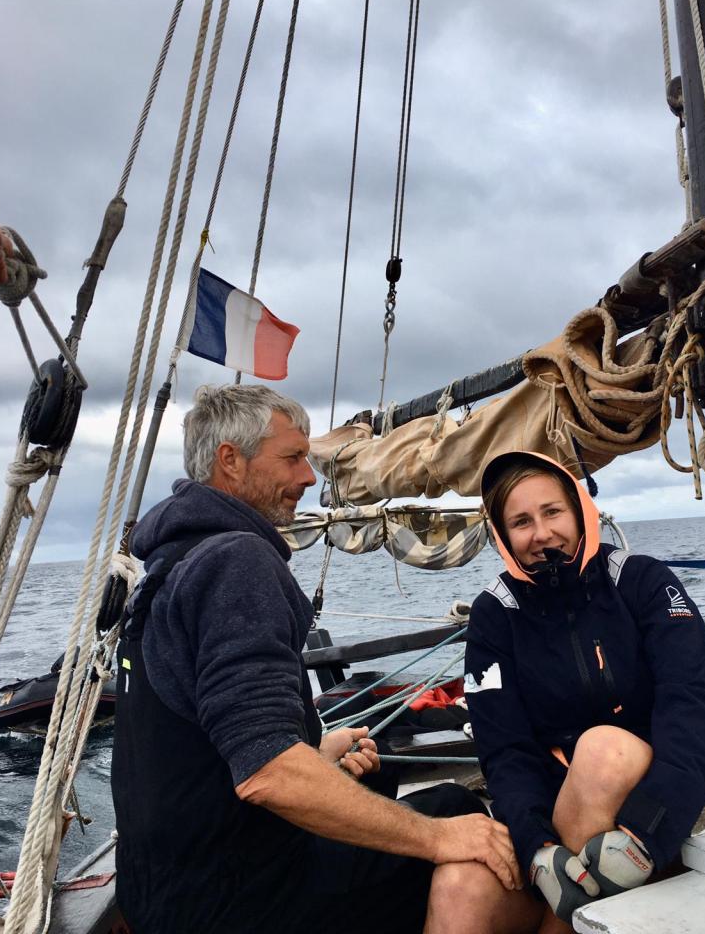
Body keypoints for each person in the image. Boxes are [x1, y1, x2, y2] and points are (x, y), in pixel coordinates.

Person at [110, 384, 521, 934]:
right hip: (237, 901)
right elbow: (266, 775)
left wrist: (313, 751)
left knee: (382, 792)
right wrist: (442, 838)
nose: (309, 477)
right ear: (230, 461)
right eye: (292, 457)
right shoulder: (236, 561)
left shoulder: (164, 565)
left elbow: (200, 738)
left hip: (157, 895)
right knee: (455, 813)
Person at [426, 451, 705, 934]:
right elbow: (504, 750)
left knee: (602, 750)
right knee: (458, 885)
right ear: (503, 536)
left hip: (653, 805)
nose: (542, 533)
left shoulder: (641, 581)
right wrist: (535, 849)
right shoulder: (494, 614)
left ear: (579, 510)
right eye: (521, 521)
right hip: (551, 822)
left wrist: (645, 833)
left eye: (552, 512)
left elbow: (696, 705)